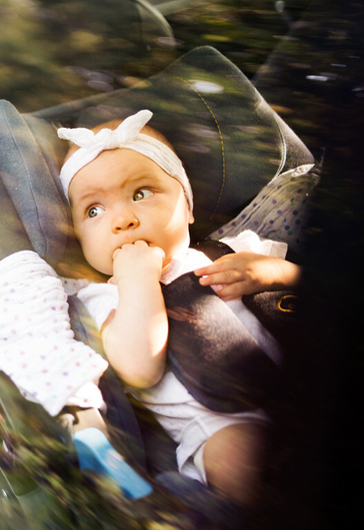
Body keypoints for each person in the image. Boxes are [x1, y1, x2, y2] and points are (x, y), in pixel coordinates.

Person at [56, 109, 300, 506]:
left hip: (304, 385)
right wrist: (137, 279)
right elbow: (140, 367)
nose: (122, 219)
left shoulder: (236, 247)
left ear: (186, 206)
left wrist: (273, 272)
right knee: (241, 458)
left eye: (140, 193)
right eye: (94, 210)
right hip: (221, 425)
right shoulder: (102, 297)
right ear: (80, 238)